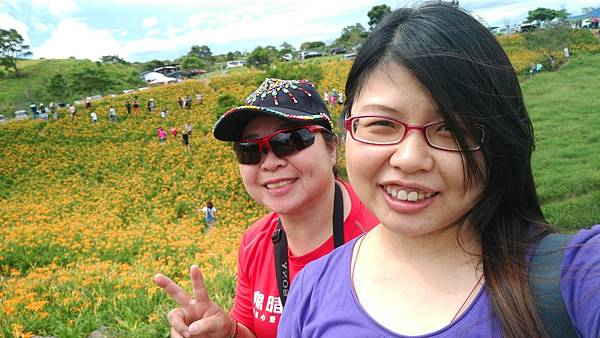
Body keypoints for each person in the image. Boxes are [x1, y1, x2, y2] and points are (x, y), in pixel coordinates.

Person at [278, 3, 600, 338]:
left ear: (500, 142)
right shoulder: (311, 290)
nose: (409, 158)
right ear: (346, 131)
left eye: (450, 128)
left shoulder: (577, 275)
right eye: (382, 124)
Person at [153, 78, 379, 338]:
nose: (270, 163)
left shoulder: (382, 226)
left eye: (289, 141)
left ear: (332, 148)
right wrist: (228, 333)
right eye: (249, 150)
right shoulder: (255, 242)